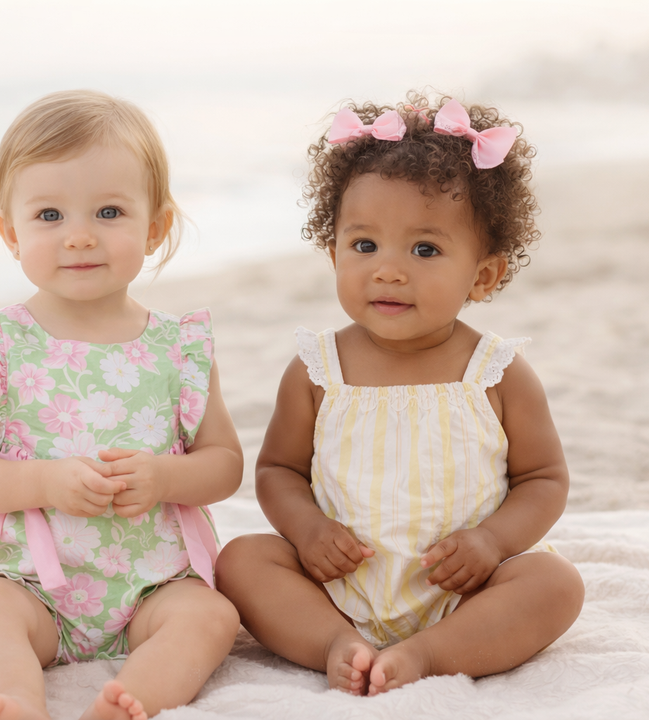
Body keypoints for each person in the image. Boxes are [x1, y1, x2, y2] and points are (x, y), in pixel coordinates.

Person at [215, 92, 585, 697]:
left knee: (556, 584)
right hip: (336, 587)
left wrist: (491, 542)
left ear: (483, 276)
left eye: (425, 249)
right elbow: (278, 470)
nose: (388, 270)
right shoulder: (317, 370)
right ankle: (336, 642)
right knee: (241, 560)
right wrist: (308, 532)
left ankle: (430, 653)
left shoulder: (496, 373)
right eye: (364, 246)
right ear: (333, 253)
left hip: (465, 591)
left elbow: (543, 479)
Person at [0, 89, 243, 720]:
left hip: (154, 581)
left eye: (109, 212)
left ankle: (129, 701)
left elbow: (225, 463)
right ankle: (17, 703)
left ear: (155, 228)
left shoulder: (178, 347)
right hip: (31, 582)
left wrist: (165, 477)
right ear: (10, 233)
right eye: (49, 215)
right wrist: (43, 482)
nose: (79, 237)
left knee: (212, 617)